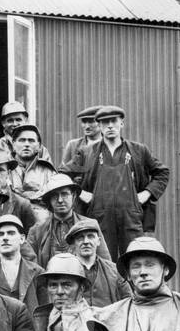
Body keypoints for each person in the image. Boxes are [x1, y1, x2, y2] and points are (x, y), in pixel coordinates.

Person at [65, 105, 170, 260]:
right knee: (104, 262)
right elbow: (63, 174)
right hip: (99, 217)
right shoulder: (87, 152)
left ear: (122, 123)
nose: (110, 126)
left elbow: (162, 172)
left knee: (135, 258)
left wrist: (146, 194)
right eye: (105, 122)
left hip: (131, 218)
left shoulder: (138, 150)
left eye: (114, 121)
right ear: (99, 126)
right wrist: (80, 193)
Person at [25, 173, 110, 268]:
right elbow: (29, 267)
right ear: (49, 200)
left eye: (64, 194)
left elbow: (106, 265)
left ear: (73, 196)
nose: (60, 200)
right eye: (55, 196)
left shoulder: (90, 225)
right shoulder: (37, 231)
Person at [65, 220, 131, 308]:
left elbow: (128, 301)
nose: (86, 241)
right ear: (73, 244)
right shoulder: (65, 270)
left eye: (90, 236)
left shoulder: (115, 270)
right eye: (80, 238)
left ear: (98, 241)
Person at [0, 214, 43, 316]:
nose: (5, 238)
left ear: (22, 238)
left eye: (11, 233)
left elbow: (45, 311)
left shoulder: (37, 272)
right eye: (1, 234)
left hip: (28, 329)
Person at [11, 125, 57, 221]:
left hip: (41, 217)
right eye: (22, 140)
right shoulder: (5, 168)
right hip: (11, 214)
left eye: (31, 141)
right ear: (13, 145)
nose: (26, 144)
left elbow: (53, 197)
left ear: (39, 147)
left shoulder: (48, 170)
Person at [60, 105, 102, 169]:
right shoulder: (73, 145)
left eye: (91, 122)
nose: (87, 126)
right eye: (84, 122)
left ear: (101, 123)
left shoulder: (109, 145)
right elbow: (63, 171)